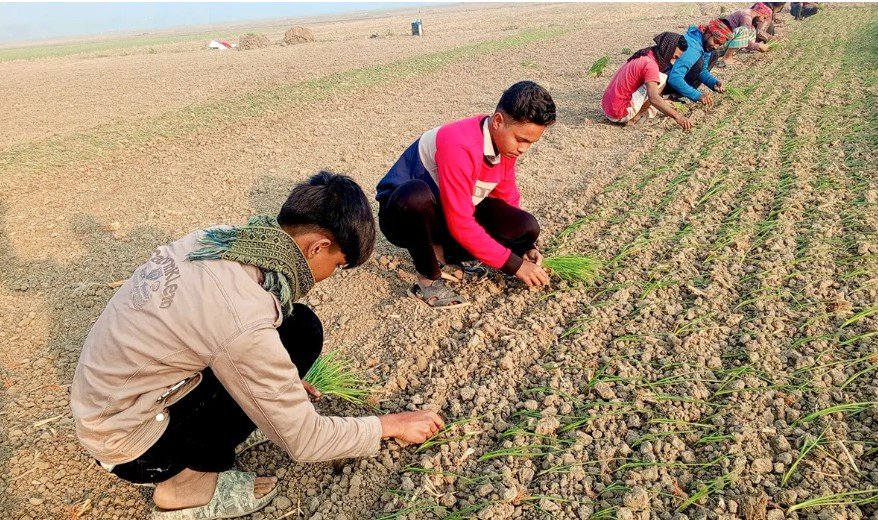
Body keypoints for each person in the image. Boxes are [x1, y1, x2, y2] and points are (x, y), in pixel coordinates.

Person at [70, 172, 445, 519]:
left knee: (300, 329)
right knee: (284, 347)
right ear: (318, 247)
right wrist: (388, 425)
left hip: (110, 396)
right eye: (339, 264)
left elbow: (215, 331)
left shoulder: (223, 238)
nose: (332, 276)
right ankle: (183, 487)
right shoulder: (240, 316)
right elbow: (305, 441)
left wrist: (272, 376)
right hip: (127, 439)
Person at [376, 81, 554, 308]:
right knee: (416, 195)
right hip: (403, 215)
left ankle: (443, 256)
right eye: (521, 139)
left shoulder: (506, 146)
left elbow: (506, 198)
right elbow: (460, 222)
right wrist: (515, 266)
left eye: (531, 143)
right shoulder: (459, 144)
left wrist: (523, 249)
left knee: (526, 226)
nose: (523, 149)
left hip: (446, 210)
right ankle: (428, 278)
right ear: (498, 121)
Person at [601, 32, 693, 130]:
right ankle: (635, 118)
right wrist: (677, 116)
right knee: (661, 78)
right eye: (674, 57)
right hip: (619, 112)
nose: (672, 62)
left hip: (608, 107)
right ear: (668, 49)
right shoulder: (650, 65)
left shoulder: (645, 55)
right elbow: (653, 98)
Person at [664, 19, 732, 108]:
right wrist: (697, 95)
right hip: (662, 80)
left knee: (713, 54)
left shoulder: (704, 44)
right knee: (699, 62)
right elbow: (674, 77)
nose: (716, 47)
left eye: (719, 44)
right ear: (708, 33)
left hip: (673, 77)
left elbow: (701, 71)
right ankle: (673, 95)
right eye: (715, 41)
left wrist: (713, 82)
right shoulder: (693, 48)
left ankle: (680, 93)